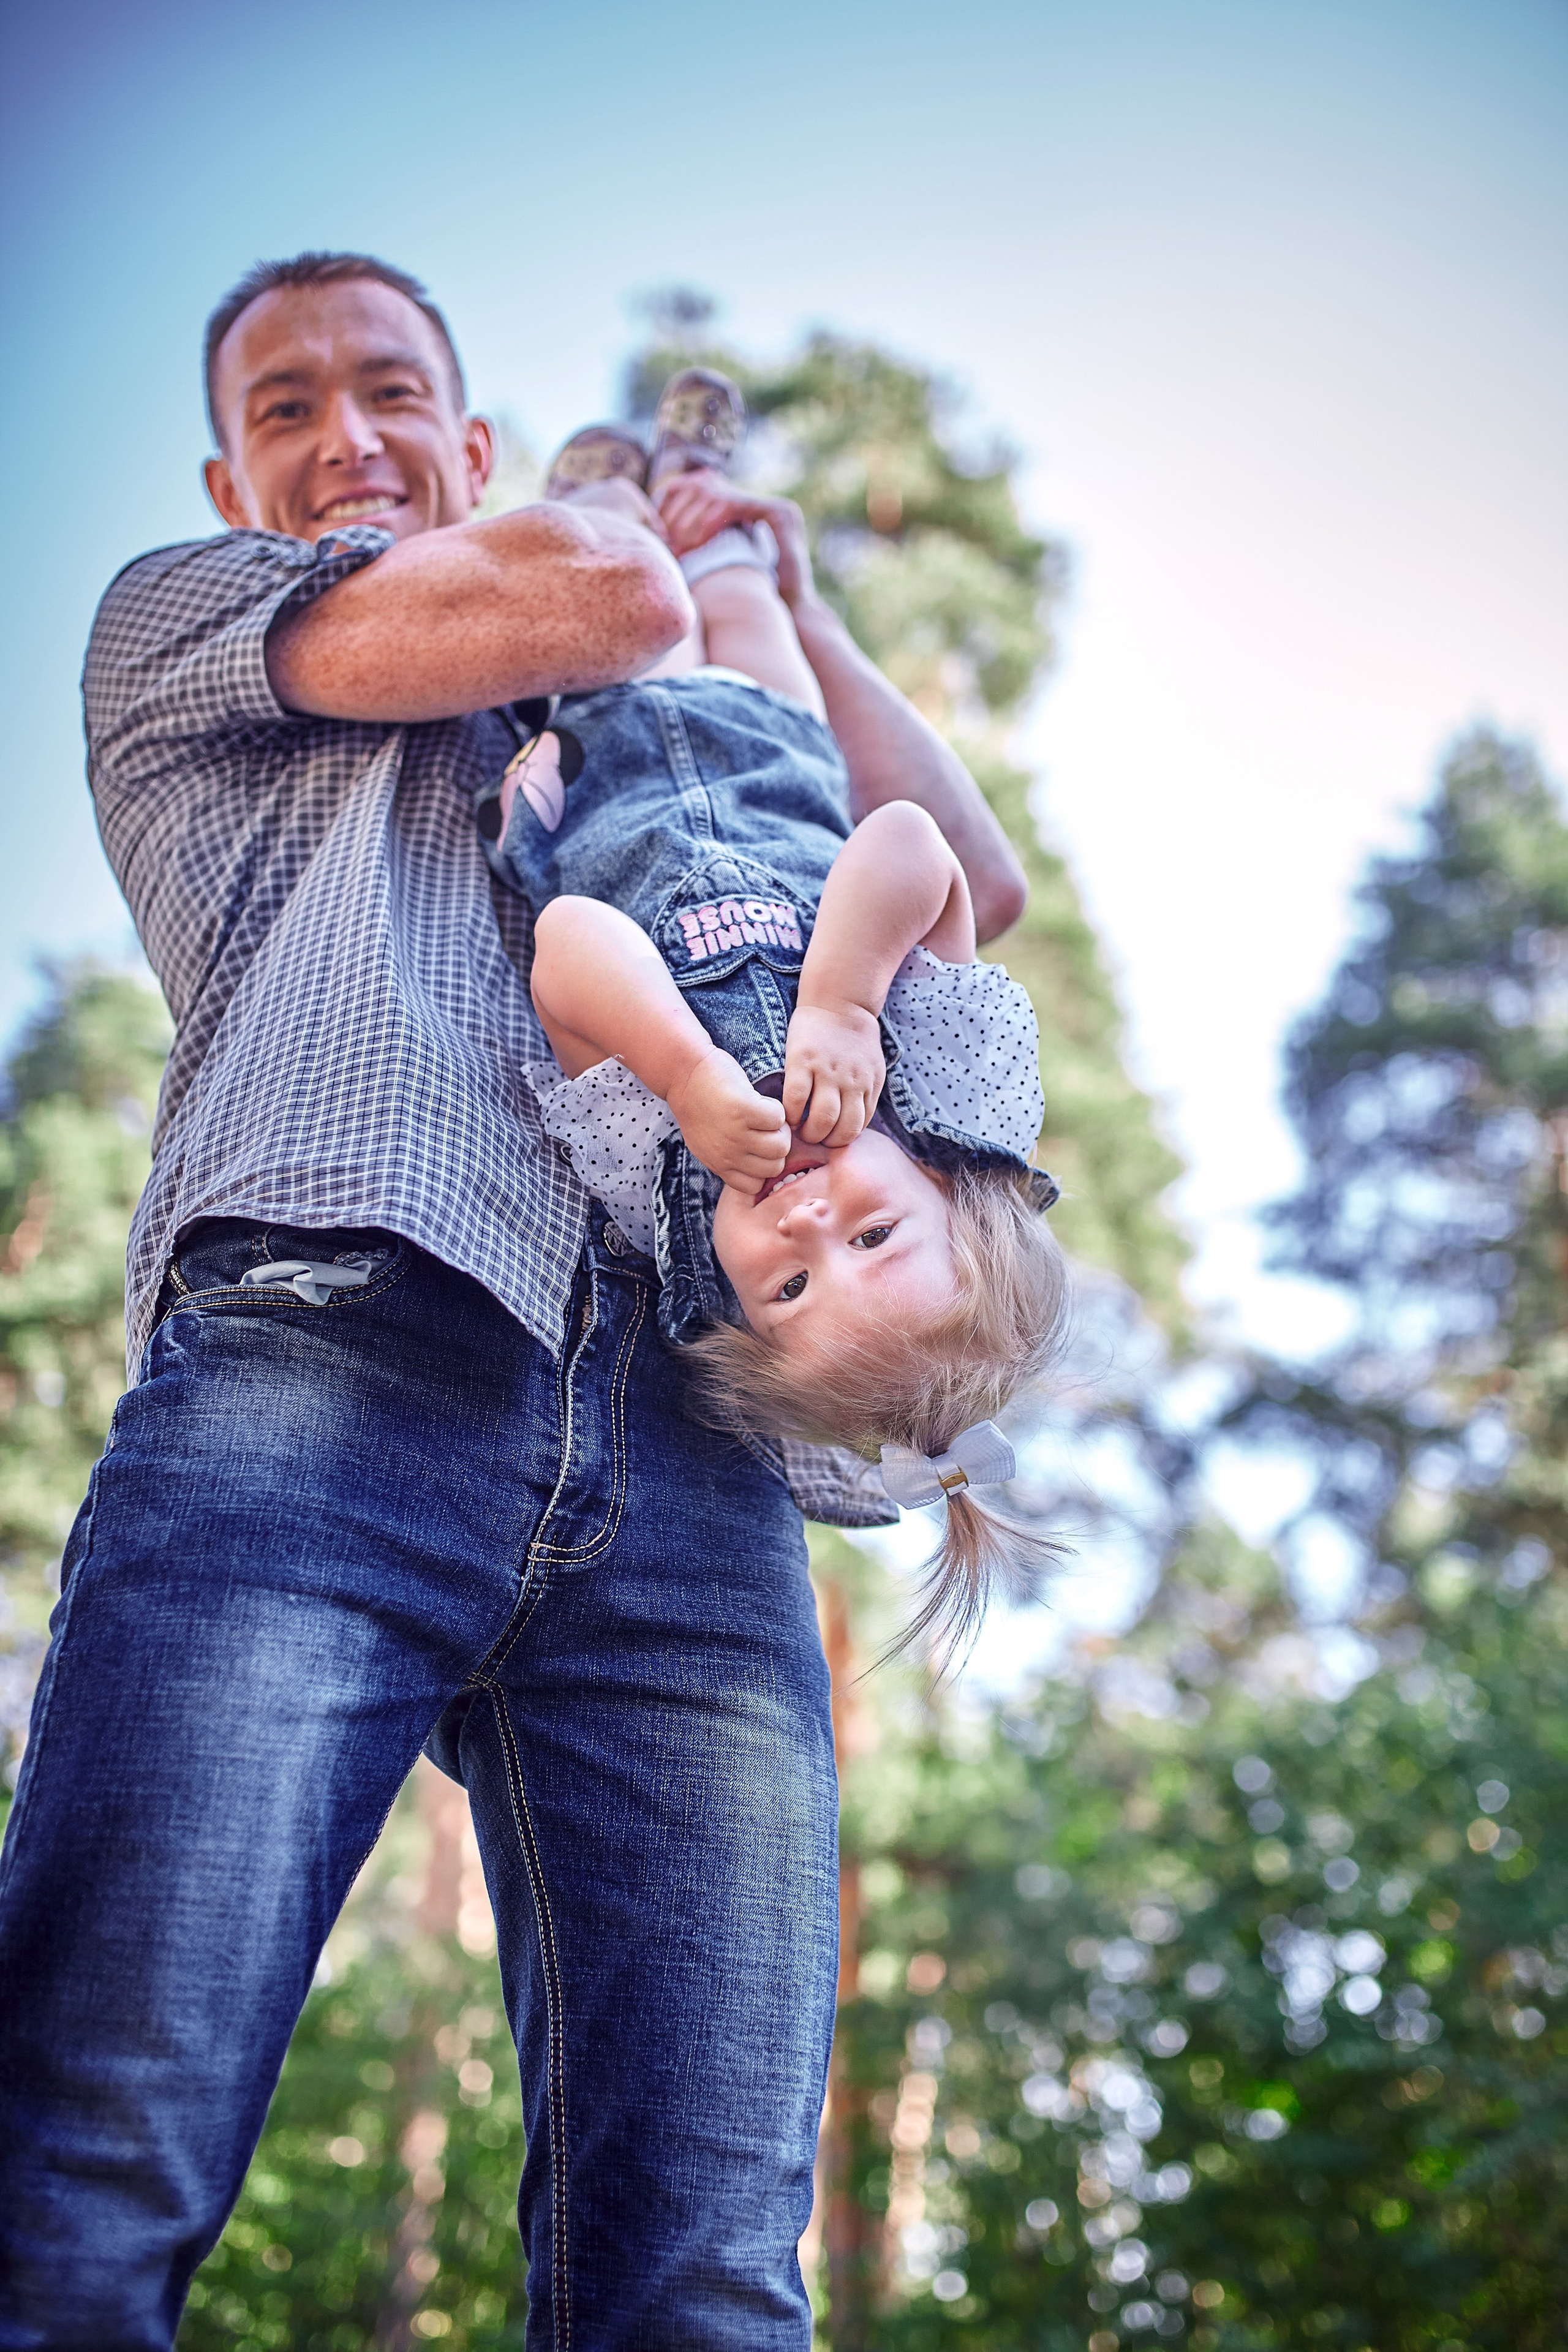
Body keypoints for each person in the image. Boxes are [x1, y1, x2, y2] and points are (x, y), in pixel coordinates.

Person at [0, 253, 1018, 2350]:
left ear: (464, 440)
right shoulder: (186, 621)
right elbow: (618, 602)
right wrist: (644, 527)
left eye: (391, 394)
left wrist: (794, 615)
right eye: (286, 409)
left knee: (707, 2273)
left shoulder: (606, 730)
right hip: (329, 1358)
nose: (341, 435)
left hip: (692, 1449)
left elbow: (962, 886)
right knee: (84, 2163)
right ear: (230, 470)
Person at [493, 387, 1067, 1649]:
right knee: (732, 588)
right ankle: (703, 481)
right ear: (949, 1198)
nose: (808, 1219)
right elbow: (908, 846)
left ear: (736, 1315)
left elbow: (569, 951)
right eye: (874, 1232)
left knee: (601, 569)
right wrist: (843, 1001)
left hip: (601, 758)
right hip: (772, 745)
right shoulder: (948, 1100)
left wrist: (687, 1072)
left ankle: (604, 488)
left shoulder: (666, 1186)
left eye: (794, 1284)